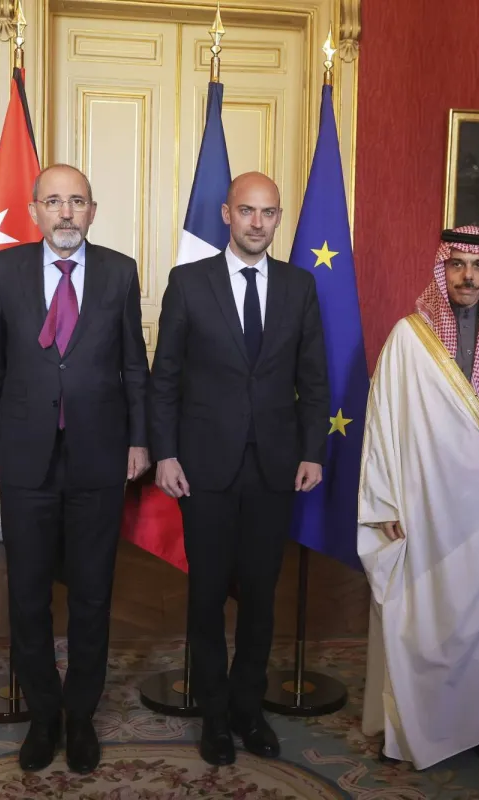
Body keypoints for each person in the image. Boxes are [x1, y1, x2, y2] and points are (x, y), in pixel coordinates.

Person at [0, 164, 150, 774]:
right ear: (34, 211)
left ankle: (80, 716)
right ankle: (44, 714)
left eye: (77, 201)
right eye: (54, 201)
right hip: (24, 454)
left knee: (93, 595)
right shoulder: (6, 269)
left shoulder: (120, 271)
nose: (66, 212)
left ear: (93, 211)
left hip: (100, 453)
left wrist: (140, 440)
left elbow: (134, 365)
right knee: (27, 595)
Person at [356, 225, 479, 769]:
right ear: (442, 269)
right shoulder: (410, 337)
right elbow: (382, 426)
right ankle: (410, 729)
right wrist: (385, 503)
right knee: (421, 615)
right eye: (457, 264)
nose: (467, 276)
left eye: (478, 265)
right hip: (424, 505)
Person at [150, 172, 330, 766]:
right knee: (206, 596)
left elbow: (314, 377)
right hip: (203, 467)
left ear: (278, 219)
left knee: (259, 596)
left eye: (268, 212)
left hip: (276, 467)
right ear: (227, 214)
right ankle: (214, 717)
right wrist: (165, 453)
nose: (257, 222)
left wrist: (312, 451)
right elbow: (165, 376)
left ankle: (248, 710)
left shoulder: (300, 286)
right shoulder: (188, 282)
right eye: (247, 211)